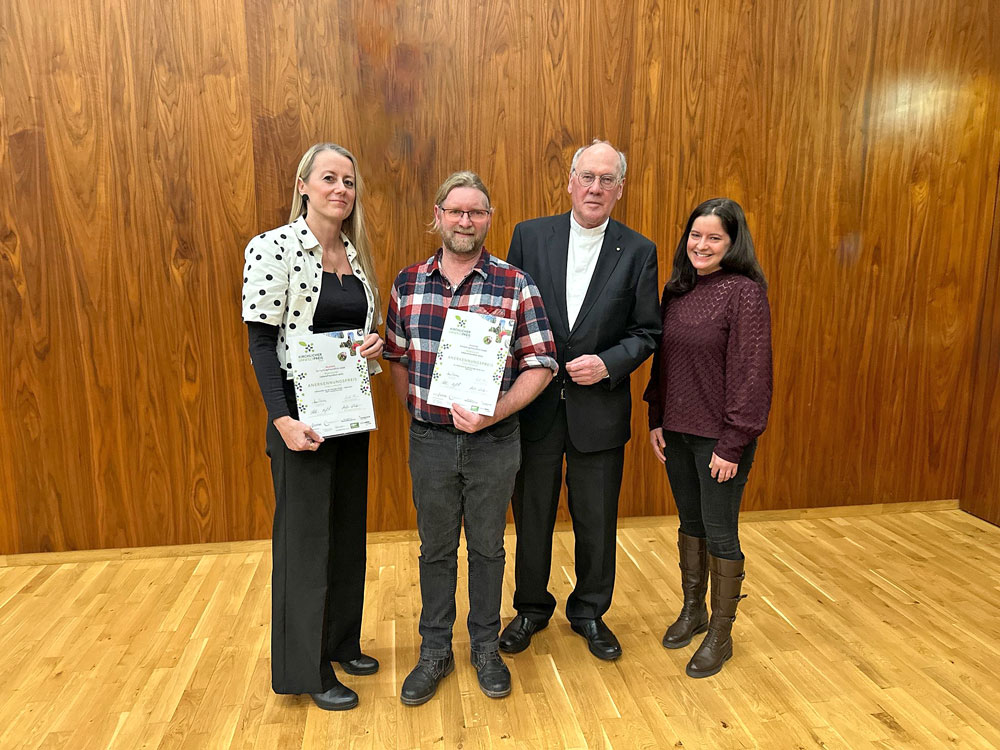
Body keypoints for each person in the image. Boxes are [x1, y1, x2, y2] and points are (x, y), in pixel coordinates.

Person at [383, 171, 557, 705]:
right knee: (435, 550)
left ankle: (484, 646)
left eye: (476, 212)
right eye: (456, 211)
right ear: (437, 215)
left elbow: (543, 362)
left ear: (489, 218)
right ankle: (434, 650)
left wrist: (494, 413)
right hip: (430, 440)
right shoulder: (407, 283)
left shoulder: (516, 283)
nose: (465, 221)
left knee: (486, 549)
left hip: (495, 441)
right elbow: (395, 359)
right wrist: (423, 412)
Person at [501, 140, 660, 661]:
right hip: (536, 408)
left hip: (600, 412)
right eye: (587, 177)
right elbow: (510, 317)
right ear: (569, 181)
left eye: (607, 180)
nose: (595, 188)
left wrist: (610, 363)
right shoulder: (528, 236)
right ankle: (530, 607)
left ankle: (590, 611)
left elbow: (646, 331)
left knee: (597, 518)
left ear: (620, 189)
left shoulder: (639, 251)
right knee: (532, 514)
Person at [241, 143, 384, 710]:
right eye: (329, 178)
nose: (340, 190)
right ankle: (306, 668)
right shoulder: (273, 248)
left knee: (346, 532)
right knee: (304, 542)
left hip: (348, 409)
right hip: (299, 415)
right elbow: (260, 344)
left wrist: (373, 346)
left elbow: (354, 336)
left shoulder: (354, 253)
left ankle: (341, 642)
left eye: (348, 181)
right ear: (304, 183)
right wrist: (281, 419)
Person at [643, 197, 772, 678]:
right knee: (690, 524)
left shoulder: (745, 294)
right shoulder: (677, 291)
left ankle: (721, 633)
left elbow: (752, 375)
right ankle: (693, 610)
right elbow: (664, 361)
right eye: (696, 235)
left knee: (720, 531)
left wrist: (733, 441)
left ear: (733, 243)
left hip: (721, 439)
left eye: (714, 237)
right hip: (676, 432)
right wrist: (656, 416)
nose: (702, 245)